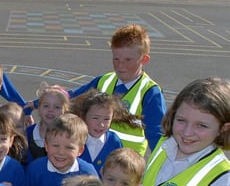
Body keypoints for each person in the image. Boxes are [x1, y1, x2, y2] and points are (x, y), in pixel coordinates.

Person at [67, 24, 166, 155]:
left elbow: (157, 136)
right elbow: (69, 97)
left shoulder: (150, 93)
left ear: (144, 59)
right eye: (116, 59)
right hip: (95, 156)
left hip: (125, 166)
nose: (120, 65)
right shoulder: (104, 81)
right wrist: (34, 104)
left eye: (128, 60)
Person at [71, 90, 124, 175]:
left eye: (106, 119)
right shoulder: (74, 139)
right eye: (95, 118)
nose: (101, 124)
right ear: (84, 116)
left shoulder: (114, 141)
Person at [25, 84, 70, 164]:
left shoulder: (70, 136)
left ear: (65, 111)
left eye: (57, 107)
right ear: (38, 108)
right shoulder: (27, 134)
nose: (50, 110)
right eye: (46, 106)